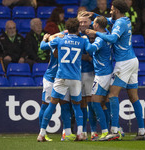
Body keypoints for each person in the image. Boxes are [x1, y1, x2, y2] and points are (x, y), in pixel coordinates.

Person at [86, 0, 145, 140]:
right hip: (132, 61)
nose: (110, 11)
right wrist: (94, 14)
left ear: (117, 10)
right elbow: (108, 20)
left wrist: (96, 33)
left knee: (113, 95)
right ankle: (142, 131)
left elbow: (113, 38)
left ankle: (114, 131)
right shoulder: (124, 20)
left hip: (124, 62)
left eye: (112, 9)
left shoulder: (119, 23)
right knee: (133, 97)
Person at [37, 18, 90, 141]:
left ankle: (41, 134)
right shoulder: (82, 41)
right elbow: (91, 50)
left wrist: (45, 38)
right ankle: (80, 133)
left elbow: (43, 46)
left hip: (61, 77)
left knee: (52, 105)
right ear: (77, 29)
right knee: (77, 106)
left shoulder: (60, 40)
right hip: (75, 78)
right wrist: (87, 40)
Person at [84, 16, 113, 141]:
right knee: (102, 103)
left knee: (95, 103)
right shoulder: (107, 34)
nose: (92, 24)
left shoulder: (100, 39)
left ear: (97, 25)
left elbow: (90, 49)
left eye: (93, 23)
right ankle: (109, 130)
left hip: (102, 74)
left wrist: (84, 39)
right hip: (106, 72)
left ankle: (106, 131)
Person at [77, 11, 95, 140]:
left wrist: (88, 57)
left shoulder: (95, 34)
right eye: (80, 22)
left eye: (85, 22)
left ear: (90, 22)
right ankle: (82, 131)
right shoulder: (73, 34)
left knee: (92, 104)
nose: (83, 24)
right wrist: (84, 56)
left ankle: (94, 131)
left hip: (90, 73)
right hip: (76, 75)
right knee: (81, 104)